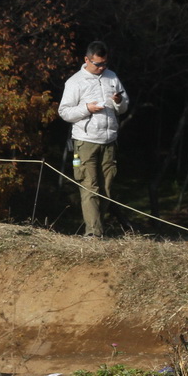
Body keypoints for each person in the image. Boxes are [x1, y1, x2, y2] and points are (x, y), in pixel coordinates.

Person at [57, 41, 129, 238]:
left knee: (106, 187)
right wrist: (87, 109)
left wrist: (119, 102)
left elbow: (124, 107)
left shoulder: (112, 77)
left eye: (104, 64)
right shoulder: (75, 82)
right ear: (86, 60)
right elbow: (64, 112)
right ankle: (93, 234)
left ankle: (99, 229)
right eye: (97, 64)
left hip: (109, 140)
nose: (101, 68)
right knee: (89, 186)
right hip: (85, 141)